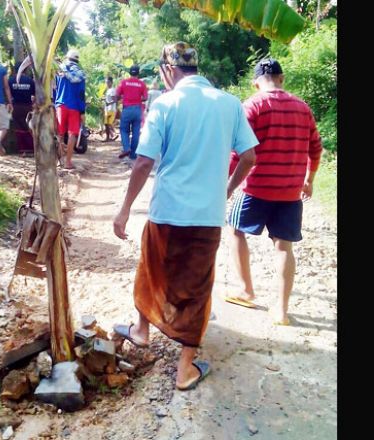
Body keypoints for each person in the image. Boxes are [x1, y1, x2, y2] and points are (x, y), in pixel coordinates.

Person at [112, 42, 258, 391]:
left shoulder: (165, 103)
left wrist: (125, 208)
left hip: (167, 210)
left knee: (152, 270)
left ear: (168, 70)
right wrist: (226, 188)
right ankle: (185, 369)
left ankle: (142, 331)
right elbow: (250, 156)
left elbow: (145, 161)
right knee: (196, 286)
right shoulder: (229, 103)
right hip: (207, 215)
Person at [225, 58, 323, 326]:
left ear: (255, 82)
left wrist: (227, 184)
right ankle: (280, 310)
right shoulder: (303, 108)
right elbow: (315, 148)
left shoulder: (253, 105)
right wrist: (309, 179)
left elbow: (240, 152)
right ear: (281, 78)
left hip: (256, 188)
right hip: (290, 190)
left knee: (235, 230)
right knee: (283, 246)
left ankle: (246, 290)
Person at [54, 49, 86, 169]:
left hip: (61, 105)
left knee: (60, 134)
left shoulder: (60, 70)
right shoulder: (81, 73)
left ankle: (59, 161)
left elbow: (55, 89)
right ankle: (68, 163)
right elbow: (81, 94)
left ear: (67, 58)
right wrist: (82, 111)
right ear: (77, 60)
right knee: (72, 133)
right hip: (75, 107)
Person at [115, 65, 147, 160]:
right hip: (137, 109)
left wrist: (122, 98)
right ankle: (133, 154)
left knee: (124, 130)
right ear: (138, 73)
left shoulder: (124, 82)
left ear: (129, 72)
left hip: (127, 109)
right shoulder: (141, 84)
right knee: (136, 132)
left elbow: (117, 95)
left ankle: (126, 148)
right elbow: (145, 98)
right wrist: (137, 98)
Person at [8, 60, 36, 153]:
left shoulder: (11, 80)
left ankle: (22, 149)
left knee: (18, 128)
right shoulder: (30, 81)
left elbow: (8, 94)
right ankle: (31, 148)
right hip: (27, 107)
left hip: (16, 107)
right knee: (29, 127)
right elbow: (34, 95)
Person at [102, 76, 118, 141]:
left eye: (108, 82)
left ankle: (114, 134)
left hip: (111, 109)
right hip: (107, 109)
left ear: (111, 82)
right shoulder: (108, 90)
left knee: (108, 123)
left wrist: (109, 103)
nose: (107, 84)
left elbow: (115, 100)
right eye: (106, 82)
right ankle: (108, 137)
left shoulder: (112, 90)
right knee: (106, 124)